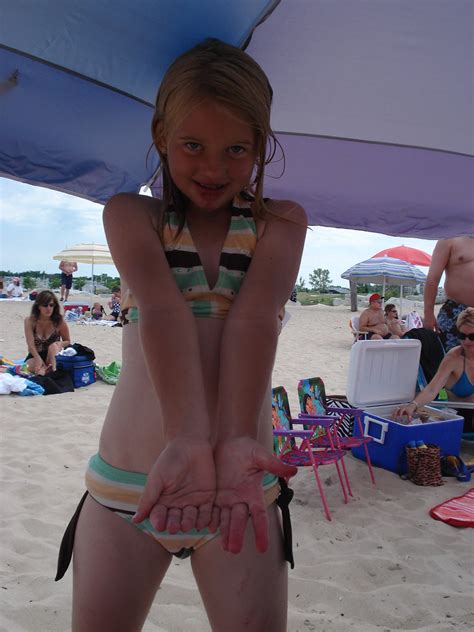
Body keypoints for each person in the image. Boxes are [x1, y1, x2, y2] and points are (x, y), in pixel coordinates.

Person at [56, 39, 306, 631]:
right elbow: (164, 312)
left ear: (261, 146)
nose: (214, 168)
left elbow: (251, 320)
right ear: (160, 133)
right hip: (126, 492)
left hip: (240, 489)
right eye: (193, 145)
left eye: (236, 149)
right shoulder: (132, 216)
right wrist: (190, 439)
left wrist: (234, 440)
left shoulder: (280, 223)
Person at [394, 307, 474, 420]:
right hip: (458, 415)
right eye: (462, 336)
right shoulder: (454, 358)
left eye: (472, 337)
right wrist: (413, 405)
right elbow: (432, 389)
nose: (466, 341)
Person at [423, 237, 474, 351]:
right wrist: (428, 314)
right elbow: (432, 279)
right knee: (450, 359)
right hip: (456, 311)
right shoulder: (450, 238)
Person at [24, 290, 71, 375]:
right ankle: (48, 372)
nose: (49, 308)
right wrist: (38, 359)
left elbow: (67, 341)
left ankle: (52, 371)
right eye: (45, 305)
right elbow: (30, 346)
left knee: (53, 346)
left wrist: (60, 344)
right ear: (38, 306)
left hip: (52, 354)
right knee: (32, 367)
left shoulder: (59, 321)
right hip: (35, 355)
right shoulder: (30, 321)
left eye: (51, 305)